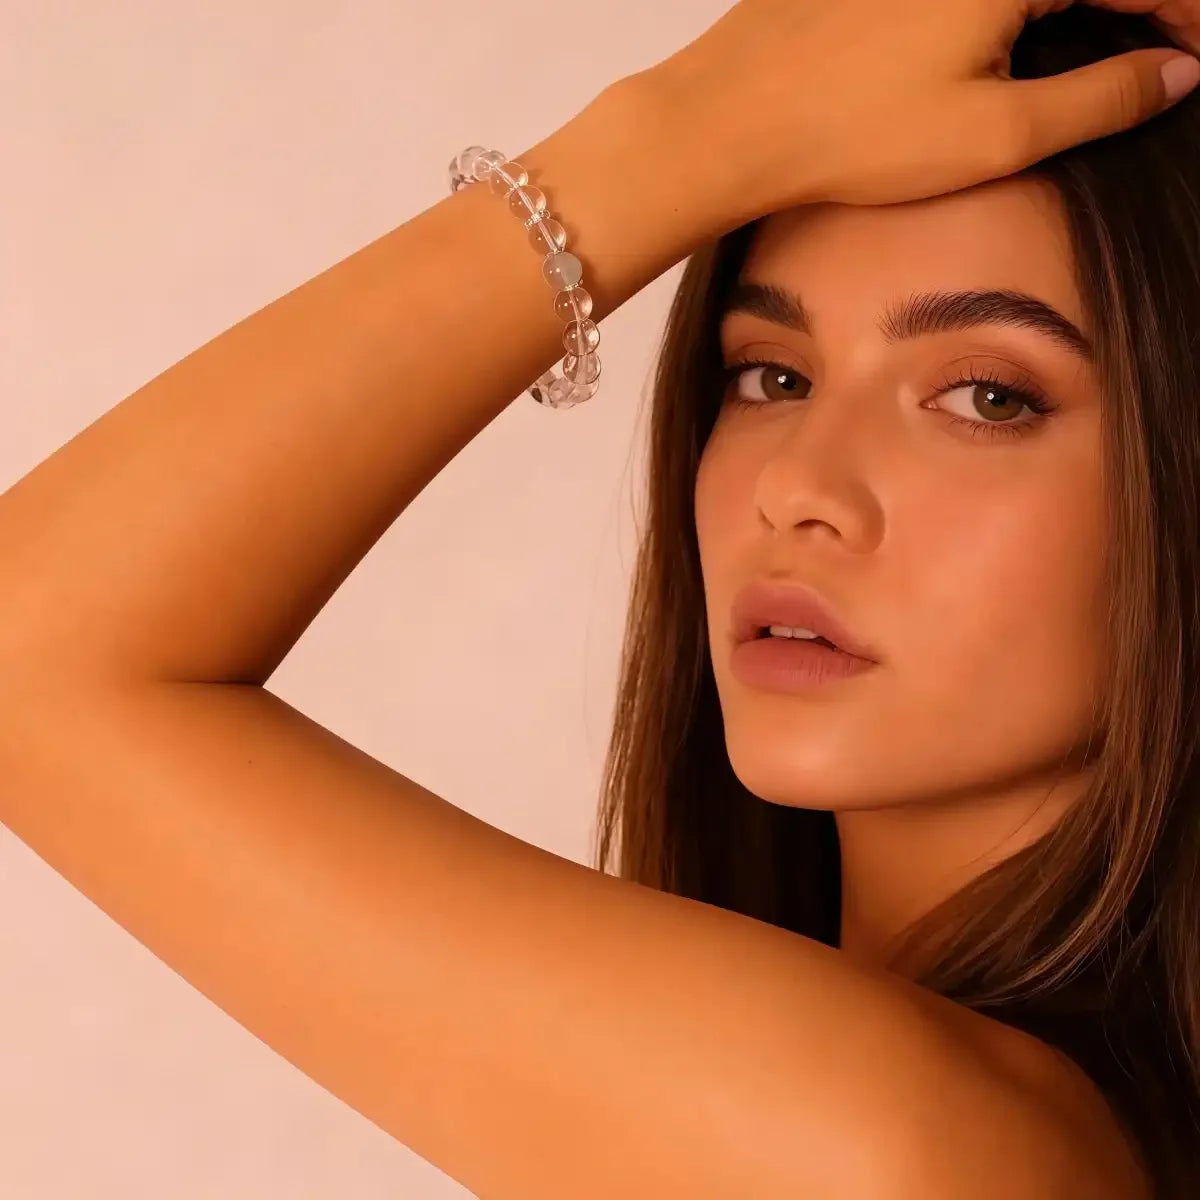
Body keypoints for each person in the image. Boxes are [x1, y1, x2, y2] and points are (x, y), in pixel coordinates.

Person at [0, 0, 1197, 1195]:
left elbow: (29, 654)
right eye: (771, 375)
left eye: (987, 397)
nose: (796, 487)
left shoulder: (902, 1148)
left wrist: (688, 129)